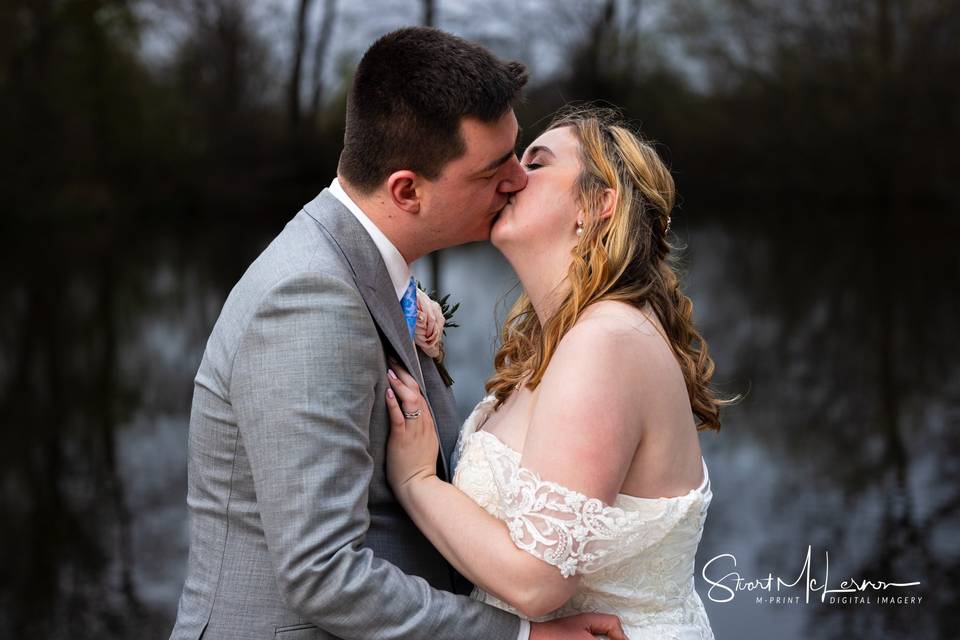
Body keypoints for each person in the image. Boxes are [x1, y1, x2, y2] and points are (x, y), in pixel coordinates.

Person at [169, 27, 626, 640]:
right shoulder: (310, 298)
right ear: (407, 190)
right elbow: (321, 572)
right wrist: (520, 637)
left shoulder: (366, 271)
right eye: (495, 170)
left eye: (518, 155)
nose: (519, 181)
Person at [384, 106, 731, 639]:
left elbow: (538, 582)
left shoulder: (606, 342)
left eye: (536, 163)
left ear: (597, 203)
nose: (512, 176)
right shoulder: (559, 340)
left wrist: (416, 482)